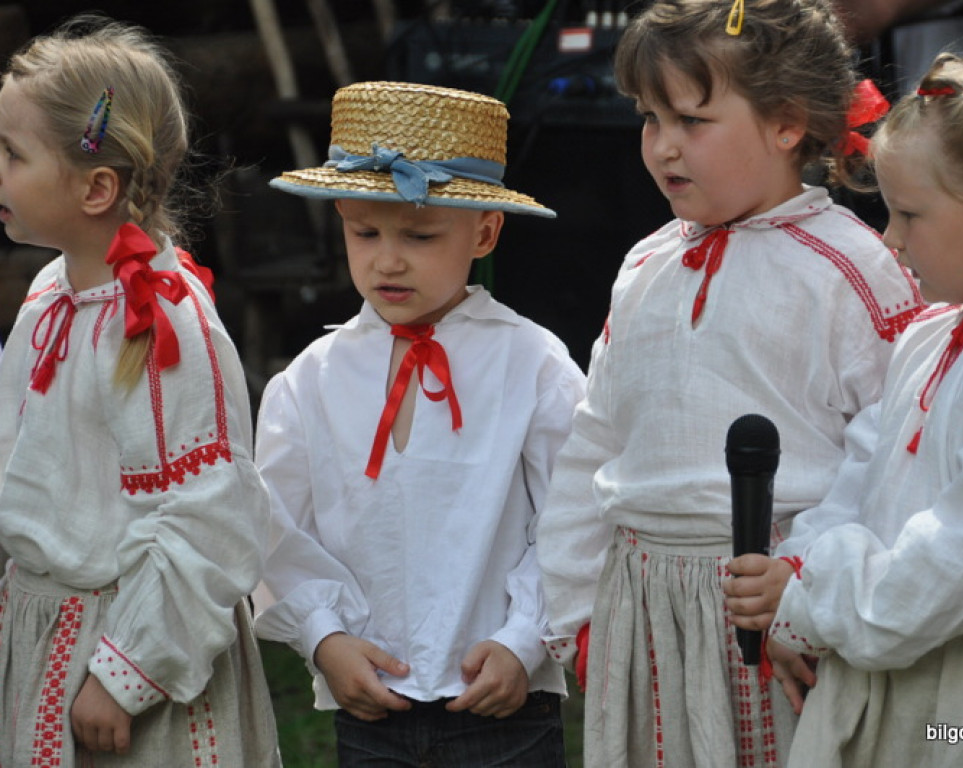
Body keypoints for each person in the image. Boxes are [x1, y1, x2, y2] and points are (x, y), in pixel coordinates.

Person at [535, 1, 926, 766]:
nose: (663, 147)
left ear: (786, 124)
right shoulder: (644, 266)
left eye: (692, 120)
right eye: (650, 119)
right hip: (643, 605)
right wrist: (577, 612)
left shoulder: (851, 269)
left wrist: (812, 593)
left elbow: (894, 456)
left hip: (773, 602)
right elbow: (596, 439)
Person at [251, 80, 586, 767]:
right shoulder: (311, 380)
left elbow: (578, 516)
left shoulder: (533, 364)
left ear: (484, 231)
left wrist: (526, 637)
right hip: (369, 703)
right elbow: (275, 527)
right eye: (364, 232)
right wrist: (324, 638)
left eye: (420, 235)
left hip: (503, 705)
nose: (388, 259)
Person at [0, 16, 281, 767]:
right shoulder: (51, 293)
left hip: (127, 661)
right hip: (41, 632)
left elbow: (213, 519)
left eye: (12, 153)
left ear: (96, 187)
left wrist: (127, 675)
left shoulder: (162, 323)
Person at [739, 51, 963, 766]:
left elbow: (959, 560)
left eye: (909, 214)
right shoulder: (929, 334)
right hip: (876, 658)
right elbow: (858, 480)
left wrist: (808, 600)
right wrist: (794, 573)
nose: (891, 239)